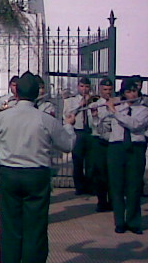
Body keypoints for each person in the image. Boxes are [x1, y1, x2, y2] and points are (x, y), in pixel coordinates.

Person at [0, 71, 76, 263]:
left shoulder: (4, 117)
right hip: (37, 174)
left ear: (16, 92)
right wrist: (70, 126)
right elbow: (67, 145)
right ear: (36, 95)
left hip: (10, 173)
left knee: (11, 228)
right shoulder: (45, 119)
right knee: (35, 230)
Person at [96, 78, 148, 234]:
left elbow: (135, 124)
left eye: (134, 91)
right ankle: (119, 222)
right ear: (123, 93)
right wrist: (101, 115)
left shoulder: (143, 109)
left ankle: (133, 222)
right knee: (116, 186)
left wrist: (114, 112)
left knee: (134, 186)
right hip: (116, 148)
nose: (132, 94)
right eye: (128, 91)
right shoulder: (117, 106)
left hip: (135, 148)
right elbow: (102, 127)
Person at [63, 76, 94, 195]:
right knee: (78, 161)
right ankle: (79, 188)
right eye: (82, 86)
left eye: (86, 87)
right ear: (78, 87)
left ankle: (90, 187)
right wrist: (81, 105)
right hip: (78, 131)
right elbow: (68, 115)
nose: (84, 89)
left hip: (90, 131)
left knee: (91, 162)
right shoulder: (71, 101)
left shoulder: (94, 100)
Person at [90, 78, 114, 212]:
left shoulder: (116, 103)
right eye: (105, 90)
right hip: (99, 141)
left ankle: (113, 201)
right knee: (100, 173)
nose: (108, 93)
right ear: (100, 89)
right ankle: (101, 201)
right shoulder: (96, 104)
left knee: (112, 173)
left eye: (110, 90)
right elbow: (94, 126)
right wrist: (95, 117)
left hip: (113, 141)